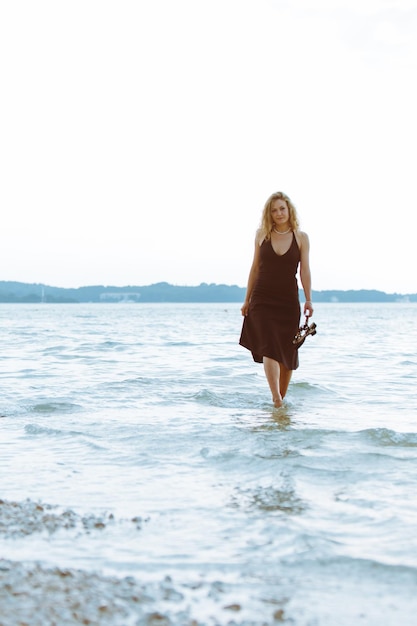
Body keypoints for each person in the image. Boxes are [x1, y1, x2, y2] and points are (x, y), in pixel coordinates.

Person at [239, 191, 313, 408]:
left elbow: (305, 271)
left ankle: (280, 401)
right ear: (268, 214)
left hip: (288, 301)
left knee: (288, 352)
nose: (279, 213)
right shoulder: (262, 235)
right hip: (262, 298)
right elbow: (254, 268)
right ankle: (276, 398)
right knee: (270, 346)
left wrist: (308, 299)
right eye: (274, 210)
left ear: (289, 210)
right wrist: (246, 300)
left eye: (282, 208)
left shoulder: (301, 238)